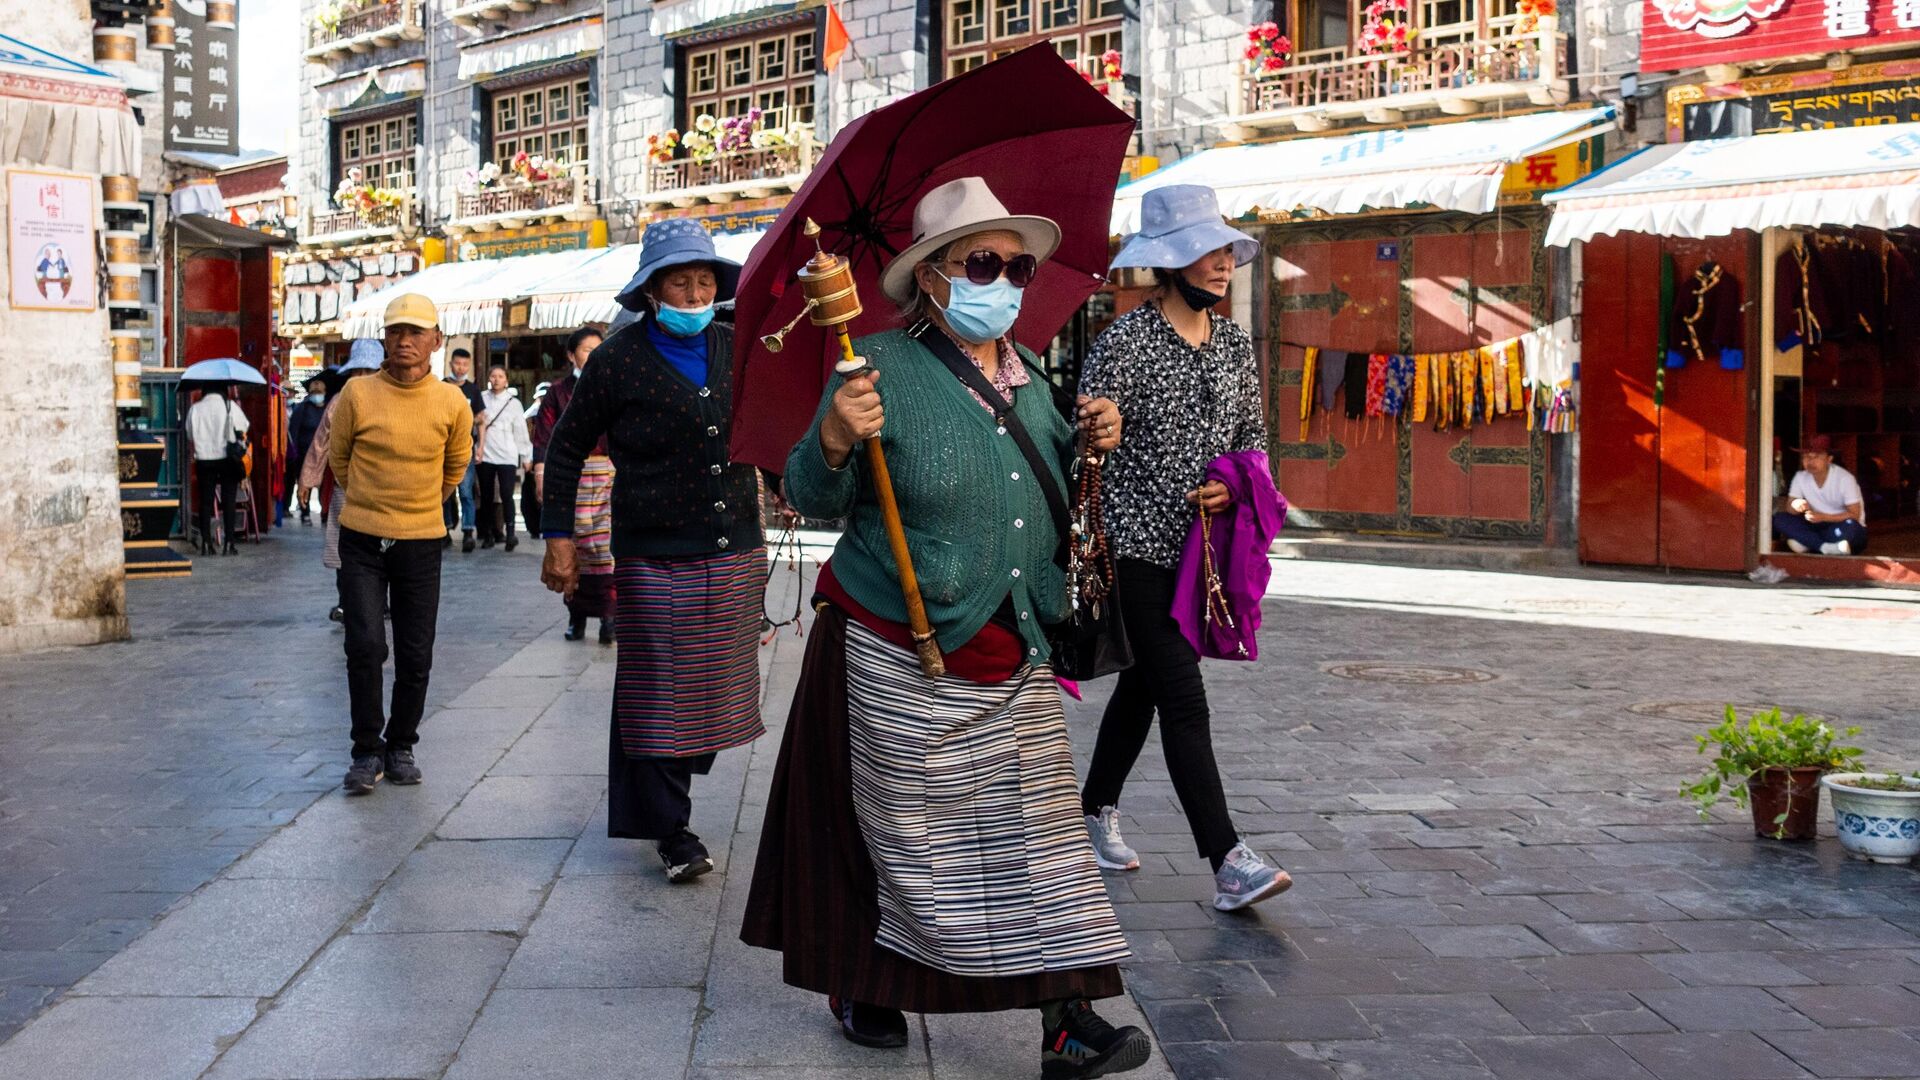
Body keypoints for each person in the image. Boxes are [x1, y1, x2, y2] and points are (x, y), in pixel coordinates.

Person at [740, 177, 1148, 1079]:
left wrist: (1094, 443)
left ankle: (1069, 1020)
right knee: (890, 832)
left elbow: (1036, 488)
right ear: (931, 279)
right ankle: (864, 982)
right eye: (983, 263)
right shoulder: (874, 369)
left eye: (1018, 265)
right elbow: (812, 496)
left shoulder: (1035, 373)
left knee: (1041, 837)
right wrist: (836, 439)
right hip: (894, 638)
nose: (1005, 280)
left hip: (1014, 642)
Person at [1075, 184, 1291, 913]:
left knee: (1144, 687)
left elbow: (1253, 446)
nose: (1224, 262)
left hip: (1203, 557)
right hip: (1133, 548)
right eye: (1208, 249)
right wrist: (1095, 427)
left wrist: (1233, 488)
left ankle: (1094, 805)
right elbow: (1086, 448)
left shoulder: (1234, 345)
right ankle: (1228, 857)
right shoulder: (1124, 343)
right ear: (1170, 262)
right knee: (1182, 697)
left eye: (1227, 248)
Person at [540, 219, 765, 881]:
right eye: (679, 282)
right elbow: (565, 451)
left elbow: (773, 420)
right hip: (652, 552)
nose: (694, 294)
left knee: (718, 688)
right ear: (651, 291)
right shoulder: (618, 358)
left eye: (703, 282)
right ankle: (672, 828)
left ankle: (660, 788)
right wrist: (560, 540)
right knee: (659, 687)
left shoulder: (738, 345)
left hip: (735, 548)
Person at [328, 294, 474, 794]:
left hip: (421, 541)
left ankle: (402, 743)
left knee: (416, 652)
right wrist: (371, 504)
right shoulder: (357, 393)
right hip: (362, 539)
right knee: (365, 644)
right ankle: (366, 750)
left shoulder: (452, 402)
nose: (404, 341)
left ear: (436, 340)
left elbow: (455, 466)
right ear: (383, 339)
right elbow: (340, 459)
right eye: (395, 332)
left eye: (416, 332)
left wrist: (420, 506)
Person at [533, 328, 614, 643]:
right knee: (577, 547)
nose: (592, 354)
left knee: (606, 549)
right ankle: (576, 614)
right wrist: (542, 475)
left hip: (608, 474)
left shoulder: (612, 385)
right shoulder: (557, 392)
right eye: (585, 349)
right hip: (573, 476)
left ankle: (609, 617)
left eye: (598, 348)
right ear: (571, 355)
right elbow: (545, 437)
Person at [300, 348, 383, 622]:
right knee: (342, 545)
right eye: (356, 371)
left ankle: (380, 602)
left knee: (382, 544)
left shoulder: (391, 398)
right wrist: (307, 480)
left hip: (383, 488)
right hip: (344, 486)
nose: (361, 376)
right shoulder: (339, 400)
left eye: (367, 370)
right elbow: (321, 442)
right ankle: (346, 602)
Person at [1774, 434, 1867, 555]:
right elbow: (1790, 509)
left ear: (1829, 459)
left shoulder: (1845, 479)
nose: (1810, 461)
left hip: (1841, 524)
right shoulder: (1800, 477)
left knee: (1851, 528)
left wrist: (1823, 517)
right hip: (1816, 524)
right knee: (1781, 519)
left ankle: (1808, 542)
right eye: (1806, 456)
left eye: (1816, 456)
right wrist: (1796, 504)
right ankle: (1826, 547)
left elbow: (1854, 514)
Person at [185, 382, 247, 556]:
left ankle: (206, 543)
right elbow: (243, 428)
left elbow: (189, 434)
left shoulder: (195, 409)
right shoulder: (230, 406)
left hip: (204, 459)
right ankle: (229, 543)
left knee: (206, 501)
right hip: (227, 458)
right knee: (228, 501)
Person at [475, 366, 532, 551]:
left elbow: (521, 431)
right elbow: (474, 423)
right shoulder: (481, 398)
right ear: (489, 378)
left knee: (507, 494)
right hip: (486, 454)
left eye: (500, 376)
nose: (497, 379)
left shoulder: (513, 403)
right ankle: (489, 534)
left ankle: (511, 533)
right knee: (487, 496)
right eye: (493, 376)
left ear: (506, 380)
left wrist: (526, 455)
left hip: (507, 455)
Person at [442, 347, 484, 552]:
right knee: (443, 492)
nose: (461, 368)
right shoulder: (440, 387)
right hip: (441, 448)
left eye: (465, 364)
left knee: (466, 491)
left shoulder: (473, 390)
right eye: (458, 363)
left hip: (466, 447)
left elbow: (481, 418)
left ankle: (468, 531)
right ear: (451, 364)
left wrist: (480, 447)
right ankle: (445, 530)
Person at [285, 377, 326, 526]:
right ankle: (305, 511)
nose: (317, 395)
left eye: (319, 392)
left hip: (323, 453)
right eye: (314, 392)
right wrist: (294, 451)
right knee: (305, 483)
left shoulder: (327, 408)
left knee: (322, 485)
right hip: (304, 452)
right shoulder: (302, 408)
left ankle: (324, 510)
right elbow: (294, 430)